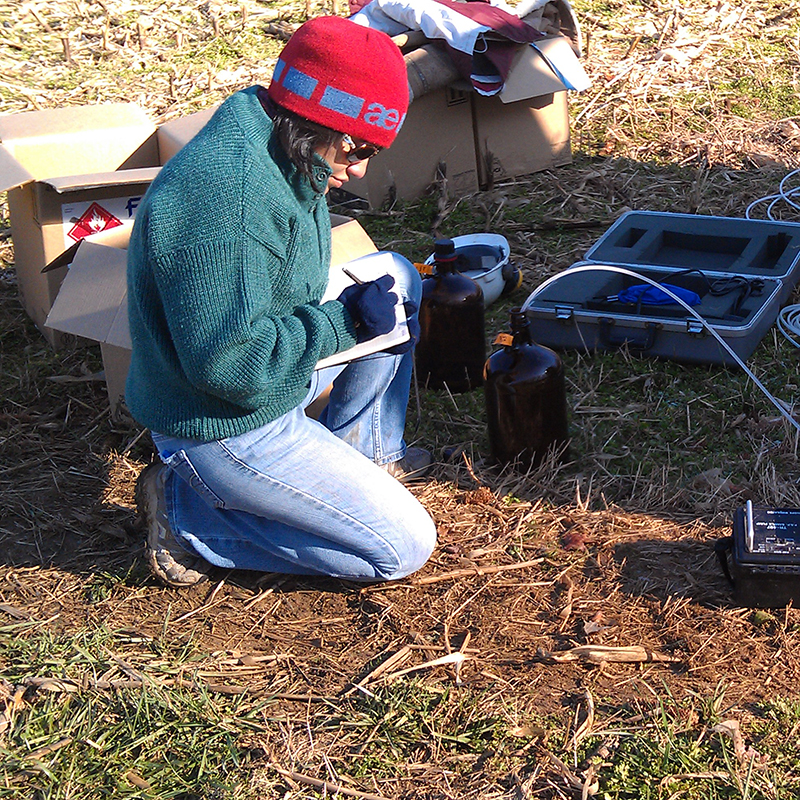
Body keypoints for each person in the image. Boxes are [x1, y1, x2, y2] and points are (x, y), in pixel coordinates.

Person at [126, 15, 437, 588]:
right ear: (314, 120)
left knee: (396, 274)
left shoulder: (285, 142)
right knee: (402, 548)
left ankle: (359, 459)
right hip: (223, 420)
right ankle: (186, 512)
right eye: (357, 148)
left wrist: (352, 320)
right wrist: (343, 324)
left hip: (258, 368)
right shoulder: (229, 202)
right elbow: (232, 369)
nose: (361, 168)